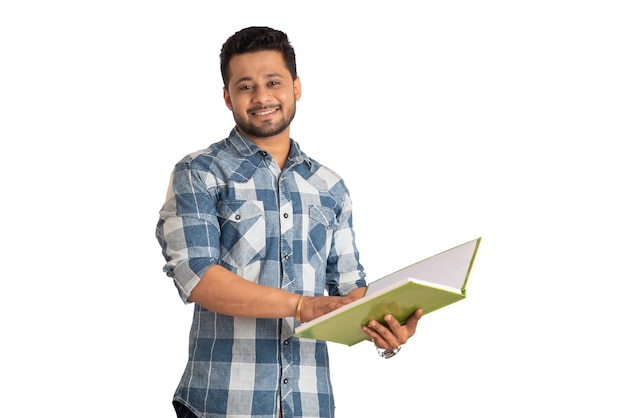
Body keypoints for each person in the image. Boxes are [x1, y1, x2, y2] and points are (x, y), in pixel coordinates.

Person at [155, 26, 422, 418]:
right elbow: (196, 276)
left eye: (273, 82)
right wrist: (301, 305)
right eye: (246, 86)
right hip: (222, 402)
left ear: (296, 87)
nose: (262, 97)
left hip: (309, 404)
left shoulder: (330, 186)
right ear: (228, 97)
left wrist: (385, 328)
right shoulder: (199, 173)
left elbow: (348, 289)